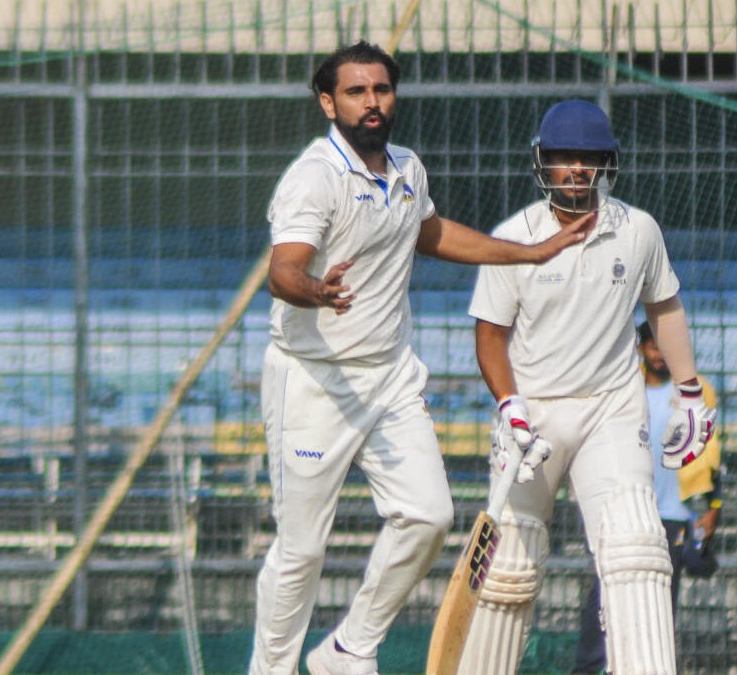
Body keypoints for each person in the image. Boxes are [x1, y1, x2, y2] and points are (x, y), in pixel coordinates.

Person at [251, 41, 592, 675]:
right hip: (314, 383)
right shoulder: (314, 177)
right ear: (328, 103)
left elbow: (429, 233)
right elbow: (282, 271)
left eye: (381, 90)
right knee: (301, 551)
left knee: (430, 516)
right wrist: (318, 291)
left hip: (389, 380)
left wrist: (530, 252)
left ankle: (349, 648)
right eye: (356, 92)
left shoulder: (407, 167)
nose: (372, 102)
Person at [457, 99, 716, 675]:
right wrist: (510, 406)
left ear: (606, 163)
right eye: (563, 157)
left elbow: (664, 306)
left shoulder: (637, 230)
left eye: (588, 157)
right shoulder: (514, 237)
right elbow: (490, 336)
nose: (576, 168)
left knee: (636, 552)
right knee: (509, 570)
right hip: (533, 417)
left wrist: (689, 392)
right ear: (542, 162)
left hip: (610, 410)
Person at [572, 320, 723, 675]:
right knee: (606, 592)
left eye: (665, 346)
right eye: (654, 346)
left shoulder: (696, 391)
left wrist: (714, 506)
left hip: (673, 512)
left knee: (660, 601)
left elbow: (711, 452)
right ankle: (590, 667)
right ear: (640, 347)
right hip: (625, 506)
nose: (660, 354)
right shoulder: (623, 389)